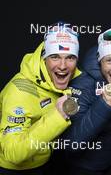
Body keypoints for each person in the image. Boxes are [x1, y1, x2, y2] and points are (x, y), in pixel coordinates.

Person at [56, 25, 111, 175]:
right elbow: (72, 143)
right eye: (109, 61)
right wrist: (104, 104)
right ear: (99, 61)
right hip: (85, 167)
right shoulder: (83, 84)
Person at [0, 22, 81, 174]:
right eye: (55, 57)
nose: (63, 66)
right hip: (15, 170)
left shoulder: (73, 82)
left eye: (70, 57)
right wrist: (58, 116)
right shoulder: (20, 91)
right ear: (44, 59)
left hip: (44, 163)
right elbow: (13, 153)